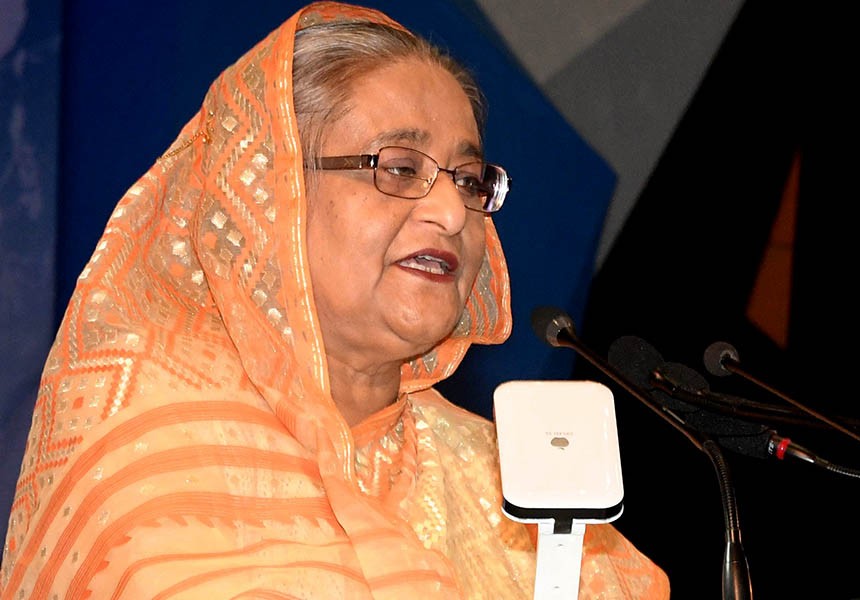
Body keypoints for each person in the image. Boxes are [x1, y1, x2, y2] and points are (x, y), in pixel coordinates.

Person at [0, 2, 669, 598]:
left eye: (468, 180)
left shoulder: (508, 484)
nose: (452, 212)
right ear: (270, 192)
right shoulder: (148, 470)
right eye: (400, 167)